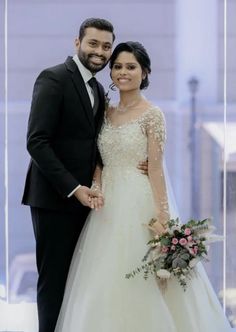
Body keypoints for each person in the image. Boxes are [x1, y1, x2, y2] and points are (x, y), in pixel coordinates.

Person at [54, 41, 231, 332]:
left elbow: (157, 169)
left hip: (139, 201)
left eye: (131, 67)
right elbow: (99, 161)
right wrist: (96, 187)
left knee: (146, 279)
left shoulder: (153, 115)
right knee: (102, 281)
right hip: (106, 206)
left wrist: (163, 219)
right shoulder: (105, 113)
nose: (123, 72)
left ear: (144, 72)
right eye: (118, 66)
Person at [22, 18, 148, 332]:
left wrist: (133, 163)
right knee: (54, 282)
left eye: (106, 46)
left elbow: (96, 143)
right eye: (93, 43)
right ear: (77, 43)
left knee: (81, 282)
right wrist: (73, 188)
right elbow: (37, 142)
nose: (100, 51)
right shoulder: (53, 78)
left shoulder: (95, 88)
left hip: (90, 199)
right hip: (55, 197)